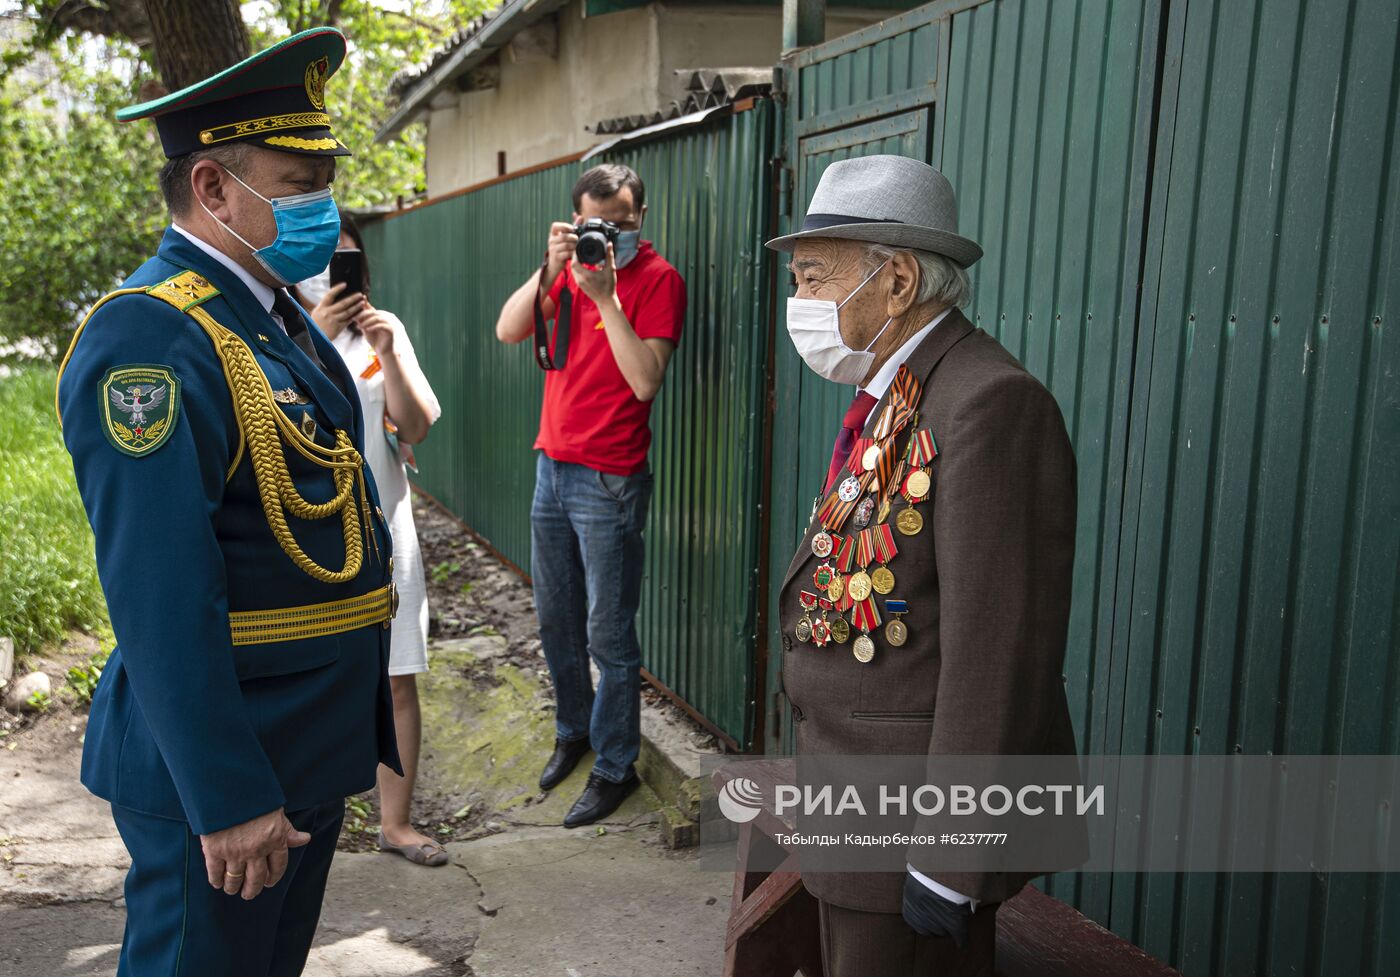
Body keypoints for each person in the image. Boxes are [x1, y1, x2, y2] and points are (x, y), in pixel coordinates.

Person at [56, 28, 399, 976]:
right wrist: (228, 793)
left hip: (301, 745)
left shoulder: (270, 313)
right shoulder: (152, 336)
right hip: (233, 764)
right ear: (213, 188)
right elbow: (160, 589)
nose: (322, 207)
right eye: (297, 184)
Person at [767, 155, 1081, 976]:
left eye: (812, 279)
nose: (800, 305)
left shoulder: (986, 402)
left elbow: (998, 653)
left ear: (898, 278)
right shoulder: (906, 390)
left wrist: (951, 854)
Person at [494, 164, 686, 827]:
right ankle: (573, 729)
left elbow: (645, 383)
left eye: (624, 221)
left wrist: (606, 298)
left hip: (610, 479)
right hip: (553, 466)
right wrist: (550, 270)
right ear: (575, 221)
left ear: (641, 217)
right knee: (556, 619)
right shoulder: (570, 269)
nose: (612, 233)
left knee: (609, 634)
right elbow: (508, 330)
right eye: (595, 222)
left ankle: (614, 766)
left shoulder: (660, 281)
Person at [297, 213, 445, 866]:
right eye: (323, 259)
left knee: (397, 678)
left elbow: (415, 424)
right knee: (307, 680)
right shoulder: (280, 335)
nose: (334, 271)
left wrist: (386, 353)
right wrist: (318, 341)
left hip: (385, 526)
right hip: (305, 533)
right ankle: (297, 815)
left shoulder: (382, 331)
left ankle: (396, 822)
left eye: (347, 260)